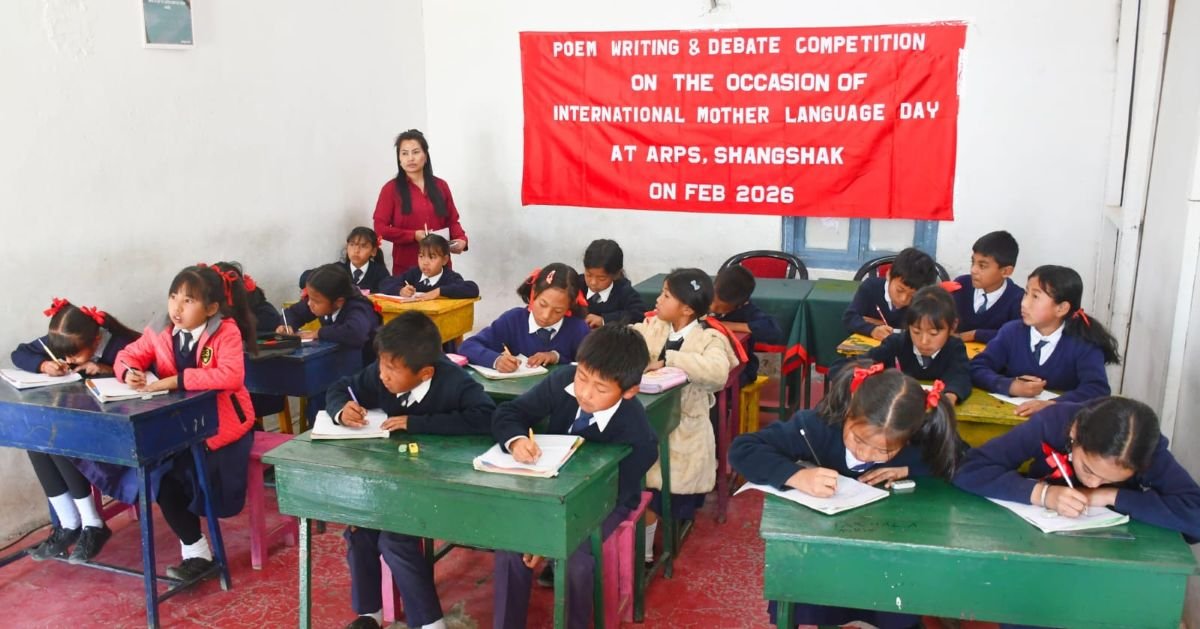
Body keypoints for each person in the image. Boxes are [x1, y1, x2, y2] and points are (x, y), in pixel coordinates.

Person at [731, 360, 962, 628]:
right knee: (813, 593)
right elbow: (743, 449)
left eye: (883, 451)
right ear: (849, 412)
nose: (865, 453)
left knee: (896, 601)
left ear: (908, 438)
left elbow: (962, 461)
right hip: (822, 552)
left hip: (887, 553)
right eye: (858, 439)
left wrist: (910, 468)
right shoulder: (816, 427)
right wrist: (796, 476)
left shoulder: (919, 441)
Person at [324, 312, 496, 629]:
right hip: (392, 483)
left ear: (425, 372)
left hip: (441, 486)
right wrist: (341, 410)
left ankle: (430, 623)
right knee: (360, 530)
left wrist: (416, 423)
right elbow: (341, 388)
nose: (382, 375)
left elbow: (486, 416)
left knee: (395, 540)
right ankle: (369, 614)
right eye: (381, 364)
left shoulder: (453, 382)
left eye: (391, 369)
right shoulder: (381, 373)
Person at [490, 324, 658, 628]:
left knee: (575, 559)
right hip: (548, 487)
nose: (585, 393)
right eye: (582, 377)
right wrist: (516, 441)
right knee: (511, 544)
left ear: (629, 391)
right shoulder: (562, 381)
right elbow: (509, 413)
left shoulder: (639, 437)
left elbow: (612, 496)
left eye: (601, 389)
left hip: (603, 501)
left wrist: (550, 536)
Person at [114, 264, 258, 582]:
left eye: (188, 301)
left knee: (197, 476)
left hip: (223, 428)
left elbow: (232, 375)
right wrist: (129, 371)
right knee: (159, 476)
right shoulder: (160, 329)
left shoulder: (225, 331)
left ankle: (198, 549)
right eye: (173, 297)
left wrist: (175, 380)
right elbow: (127, 354)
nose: (176, 308)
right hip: (179, 428)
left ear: (211, 308)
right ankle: (196, 552)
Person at [955, 397, 1200, 542]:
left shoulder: (1144, 449)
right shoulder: (1053, 422)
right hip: (1032, 539)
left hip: (1115, 549)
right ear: (1074, 434)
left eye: (1108, 480)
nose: (1092, 484)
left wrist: (1110, 495)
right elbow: (970, 468)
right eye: (1088, 470)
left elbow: (1195, 515)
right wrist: (1043, 494)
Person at [11, 299, 140, 563]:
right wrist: (44, 365)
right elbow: (20, 354)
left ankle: (92, 523)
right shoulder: (67, 342)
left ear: (96, 341)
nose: (68, 361)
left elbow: (146, 376)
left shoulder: (120, 346)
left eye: (73, 356)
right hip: (80, 427)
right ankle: (69, 523)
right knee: (34, 437)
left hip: (117, 437)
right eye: (64, 357)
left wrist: (107, 371)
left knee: (59, 439)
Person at [632, 268, 738, 561]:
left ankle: (656, 544)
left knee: (668, 493)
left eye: (666, 295)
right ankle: (645, 551)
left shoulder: (709, 338)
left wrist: (669, 360)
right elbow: (629, 339)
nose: (658, 299)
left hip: (685, 433)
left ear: (688, 309)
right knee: (641, 488)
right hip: (648, 422)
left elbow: (717, 372)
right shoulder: (654, 327)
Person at [970, 265, 1119, 416]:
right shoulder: (1011, 332)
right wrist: (1010, 385)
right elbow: (977, 368)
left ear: (1061, 308)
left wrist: (1052, 405)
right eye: (1026, 293)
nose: (1024, 303)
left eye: (1035, 297)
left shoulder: (1083, 342)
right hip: (1009, 415)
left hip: (1062, 422)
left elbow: (1097, 389)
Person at [834, 285, 971, 403]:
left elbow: (960, 377)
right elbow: (843, 367)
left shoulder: (954, 348)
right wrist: (866, 378)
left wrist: (949, 397)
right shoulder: (896, 344)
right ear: (908, 325)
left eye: (933, 334)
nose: (924, 341)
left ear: (952, 327)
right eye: (916, 331)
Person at [458, 263, 590, 372]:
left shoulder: (578, 330)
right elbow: (468, 346)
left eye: (558, 311)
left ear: (570, 306)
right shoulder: (513, 320)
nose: (546, 316)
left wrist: (557, 357)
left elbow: (593, 365)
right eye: (542, 304)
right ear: (533, 293)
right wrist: (496, 360)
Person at [372, 129, 468, 272]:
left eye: (416, 152)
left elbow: (452, 221)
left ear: (426, 155)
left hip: (441, 267)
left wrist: (461, 239)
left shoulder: (441, 186)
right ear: (399, 159)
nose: (410, 158)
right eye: (404, 153)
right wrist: (413, 235)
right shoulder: (390, 189)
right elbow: (380, 228)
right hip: (407, 268)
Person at [709, 264, 783, 386]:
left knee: (714, 383)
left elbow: (774, 332)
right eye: (712, 301)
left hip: (740, 369)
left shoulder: (747, 311)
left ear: (740, 304)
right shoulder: (701, 299)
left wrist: (729, 326)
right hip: (709, 363)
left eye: (720, 308)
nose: (712, 308)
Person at [843, 247, 939, 340]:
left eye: (913, 295)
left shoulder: (923, 300)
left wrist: (883, 324)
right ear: (889, 275)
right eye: (900, 290)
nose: (903, 299)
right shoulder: (871, 287)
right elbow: (849, 318)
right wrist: (872, 329)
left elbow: (925, 330)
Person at [952, 231, 1024, 343]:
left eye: (982, 266)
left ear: (1006, 271)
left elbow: (1017, 335)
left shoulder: (1018, 299)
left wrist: (975, 334)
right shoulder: (961, 286)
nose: (973, 270)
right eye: (973, 262)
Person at [377, 234, 479, 300]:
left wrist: (439, 291)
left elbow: (472, 288)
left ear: (444, 260)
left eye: (432, 257)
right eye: (421, 256)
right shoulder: (414, 273)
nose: (425, 263)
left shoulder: (449, 277)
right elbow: (385, 283)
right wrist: (400, 290)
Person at [299, 227, 390, 294]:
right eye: (352, 245)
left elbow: (389, 291)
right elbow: (304, 279)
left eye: (363, 246)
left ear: (373, 251)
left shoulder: (380, 272)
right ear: (347, 247)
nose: (356, 251)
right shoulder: (338, 269)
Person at [581, 238, 646, 327]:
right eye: (588, 275)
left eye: (601, 278)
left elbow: (639, 314)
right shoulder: (575, 284)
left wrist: (604, 320)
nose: (593, 282)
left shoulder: (624, 292)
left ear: (616, 274)